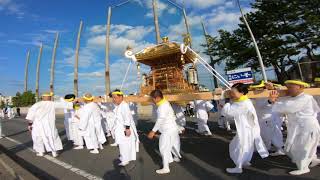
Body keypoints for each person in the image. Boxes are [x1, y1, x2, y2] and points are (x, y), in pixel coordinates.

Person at [269, 80, 320, 175]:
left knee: (303, 147)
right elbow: (281, 107)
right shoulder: (292, 98)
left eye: (290, 87)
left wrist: (274, 101)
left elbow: (288, 108)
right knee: (297, 147)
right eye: (287, 87)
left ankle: (303, 167)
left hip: (307, 127)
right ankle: (313, 159)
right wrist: (273, 95)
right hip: (298, 127)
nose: (288, 90)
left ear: (300, 87)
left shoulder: (306, 98)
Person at [222, 83, 269, 174]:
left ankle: (238, 166)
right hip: (246, 129)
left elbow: (228, 113)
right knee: (246, 146)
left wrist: (227, 101)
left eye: (233, 92)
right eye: (230, 92)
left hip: (245, 130)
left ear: (242, 92)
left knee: (238, 146)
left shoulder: (244, 104)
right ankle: (245, 161)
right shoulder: (242, 101)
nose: (231, 94)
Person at [26, 92, 73, 157]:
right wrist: (61, 98)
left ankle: (41, 152)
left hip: (38, 125)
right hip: (49, 124)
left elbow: (30, 115)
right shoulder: (52, 104)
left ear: (43, 97)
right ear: (49, 97)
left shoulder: (37, 104)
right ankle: (54, 152)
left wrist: (30, 124)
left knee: (38, 138)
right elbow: (65, 105)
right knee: (52, 137)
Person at [148, 90, 182, 174]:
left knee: (164, 148)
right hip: (171, 129)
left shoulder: (162, 106)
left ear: (158, 98)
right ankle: (171, 159)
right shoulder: (165, 103)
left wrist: (153, 131)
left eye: (153, 99)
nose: (152, 100)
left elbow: (160, 120)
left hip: (168, 131)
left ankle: (166, 168)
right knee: (171, 145)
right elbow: (171, 117)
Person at [112, 90, 139, 166]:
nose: (114, 99)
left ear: (121, 97)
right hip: (120, 128)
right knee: (122, 144)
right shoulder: (119, 105)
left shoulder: (124, 105)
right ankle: (124, 157)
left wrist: (127, 129)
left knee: (124, 144)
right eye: (113, 98)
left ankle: (125, 160)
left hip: (123, 128)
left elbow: (127, 118)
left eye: (115, 97)